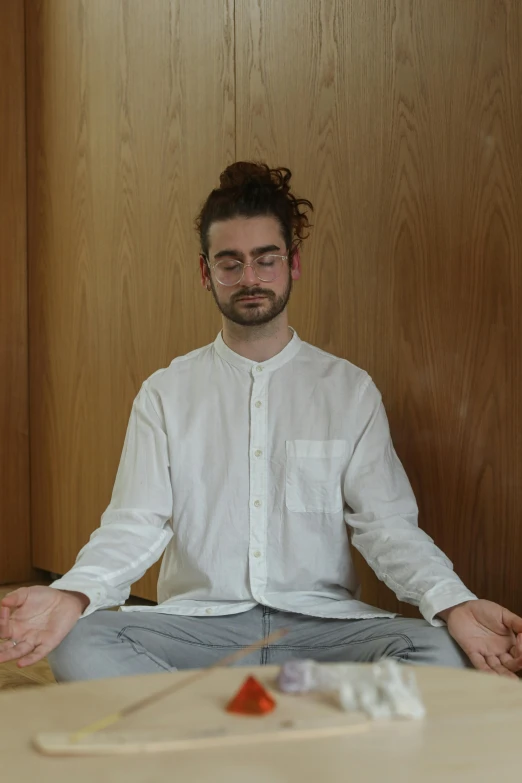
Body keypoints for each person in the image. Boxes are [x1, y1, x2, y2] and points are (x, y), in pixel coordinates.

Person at [1, 162, 521, 681]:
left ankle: (220, 718)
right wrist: (73, 592)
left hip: (323, 629)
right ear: (206, 273)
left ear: (292, 264)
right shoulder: (165, 393)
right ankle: (302, 721)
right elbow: (134, 524)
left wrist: (455, 604)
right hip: (199, 629)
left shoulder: (348, 390)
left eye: (265, 260)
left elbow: (387, 529)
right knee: (83, 642)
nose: (249, 278)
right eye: (230, 263)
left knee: (442, 653)